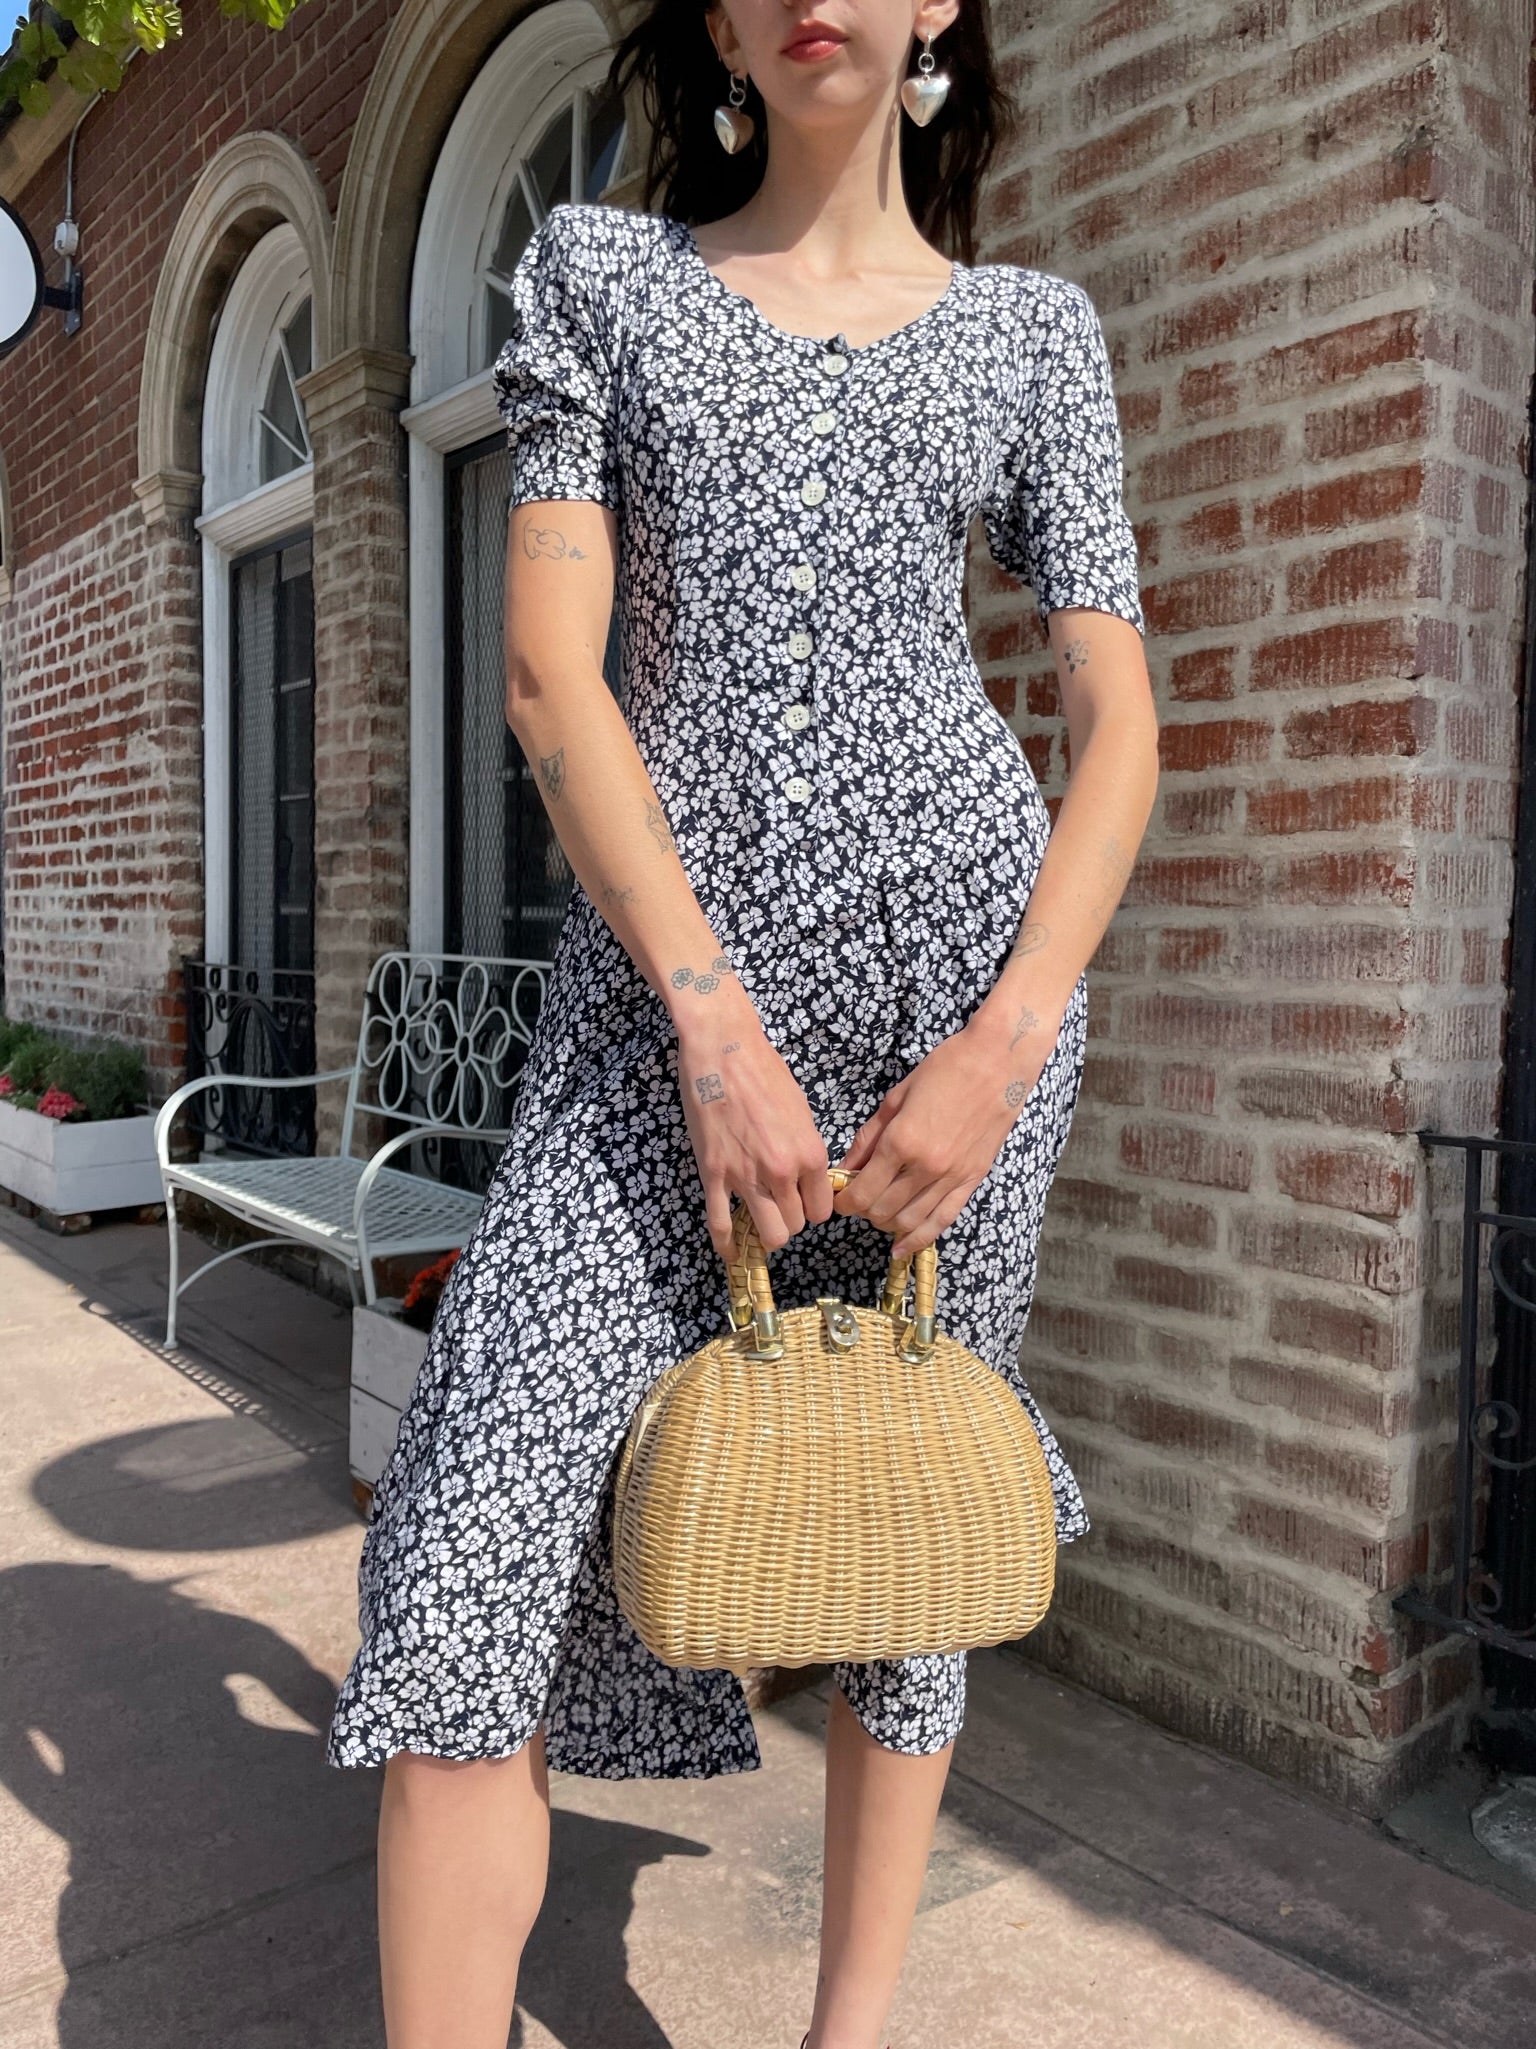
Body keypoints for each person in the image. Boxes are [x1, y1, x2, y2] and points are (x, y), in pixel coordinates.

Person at [324, 1, 1159, 2043]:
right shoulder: (605, 277)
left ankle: (845, 2027)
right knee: (469, 1540)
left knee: (902, 1530)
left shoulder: (1034, 330)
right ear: (711, 21)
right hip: (655, 1032)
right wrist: (709, 1014)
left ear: (939, 6)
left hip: (960, 1036)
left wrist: (1005, 1045)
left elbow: (1119, 723)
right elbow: (549, 677)